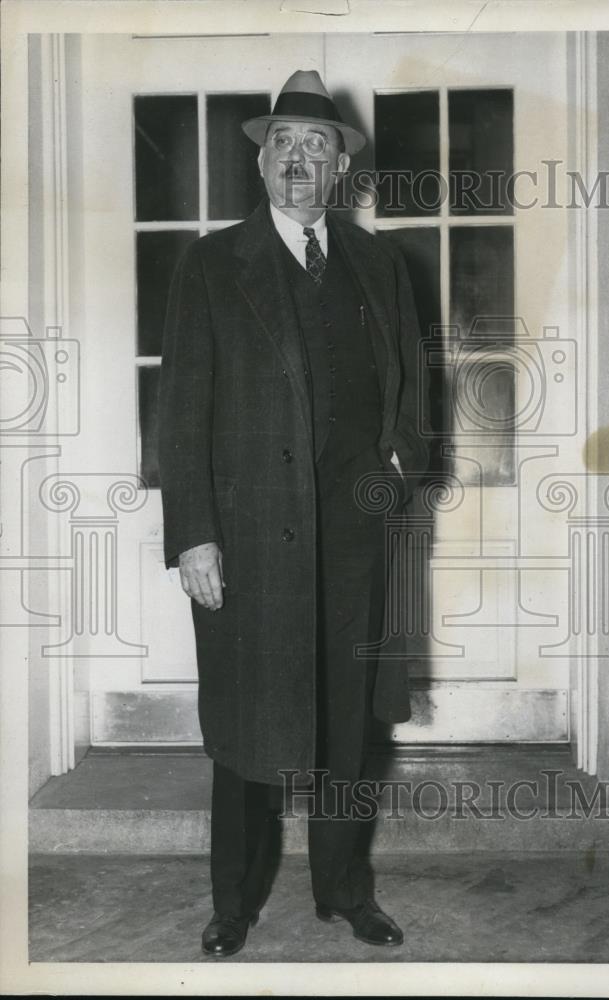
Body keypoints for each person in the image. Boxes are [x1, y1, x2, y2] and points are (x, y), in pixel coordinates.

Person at [158, 69, 429, 958]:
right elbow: (181, 406)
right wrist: (193, 533)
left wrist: (401, 464)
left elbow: (409, 386)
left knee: (348, 730)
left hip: (353, 539)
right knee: (246, 729)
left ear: (342, 168)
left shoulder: (378, 262)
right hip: (247, 542)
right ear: (262, 161)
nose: (300, 161)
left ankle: (346, 893)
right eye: (285, 145)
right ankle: (231, 905)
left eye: (319, 146)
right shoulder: (210, 262)